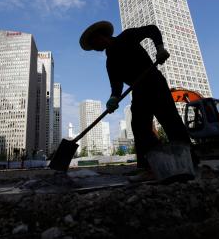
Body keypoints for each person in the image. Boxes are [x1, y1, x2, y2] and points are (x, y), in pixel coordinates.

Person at [79, 21, 193, 180]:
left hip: (154, 81)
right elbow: (116, 86)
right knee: (139, 126)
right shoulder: (110, 61)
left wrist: (160, 48)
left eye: (93, 44)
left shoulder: (127, 36)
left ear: (100, 37)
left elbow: (152, 30)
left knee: (170, 120)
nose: (94, 49)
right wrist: (113, 98)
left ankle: (192, 162)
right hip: (139, 90)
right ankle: (149, 167)